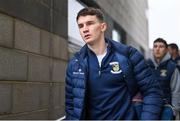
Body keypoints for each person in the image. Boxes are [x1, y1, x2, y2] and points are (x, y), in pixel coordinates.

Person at [65, 7, 163, 120]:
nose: (85, 29)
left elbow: (152, 91)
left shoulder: (128, 55)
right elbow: (71, 105)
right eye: (81, 26)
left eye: (90, 24)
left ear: (103, 27)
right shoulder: (75, 64)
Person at [146, 38, 180, 120]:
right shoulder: (145, 65)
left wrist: (174, 110)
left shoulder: (172, 67)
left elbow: (176, 91)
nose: (157, 49)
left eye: (161, 47)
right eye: (155, 46)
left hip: (166, 107)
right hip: (148, 106)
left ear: (166, 50)